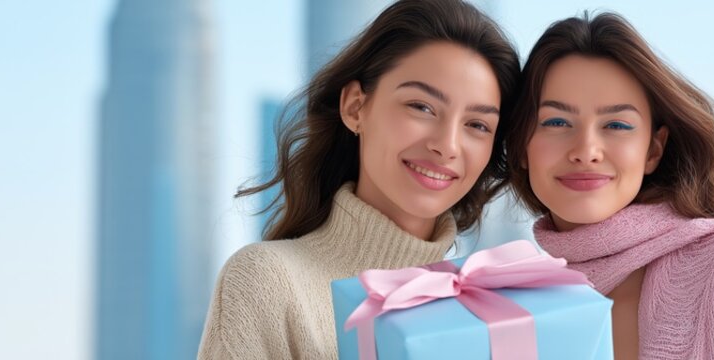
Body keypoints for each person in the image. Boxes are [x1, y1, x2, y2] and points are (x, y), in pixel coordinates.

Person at [504, 12, 714, 359]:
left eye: (617, 125)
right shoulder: (507, 309)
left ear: (653, 150)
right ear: (520, 145)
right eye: (557, 122)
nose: (586, 151)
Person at [197, 1, 519, 358]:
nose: (447, 145)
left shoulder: (486, 310)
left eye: (477, 125)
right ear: (355, 107)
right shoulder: (267, 282)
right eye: (421, 107)